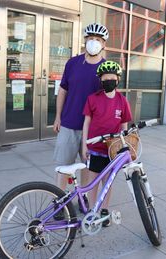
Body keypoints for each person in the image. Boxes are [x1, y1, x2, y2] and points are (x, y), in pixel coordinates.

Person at [53, 23, 109, 195]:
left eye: (98, 39)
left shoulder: (106, 68)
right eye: (91, 38)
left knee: (87, 167)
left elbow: (108, 98)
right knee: (63, 167)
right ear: (85, 40)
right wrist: (57, 117)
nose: (94, 42)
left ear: (104, 44)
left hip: (92, 129)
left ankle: (82, 196)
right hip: (69, 123)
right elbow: (63, 90)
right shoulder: (73, 63)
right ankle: (59, 202)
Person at [82, 61, 132, 227]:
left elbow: (124, 125)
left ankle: (104, 209)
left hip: (112, 150)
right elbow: (86, 123)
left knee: (107, 182)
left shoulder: (122, 100)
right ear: (100, 80)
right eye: (105, 78)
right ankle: (91, 210)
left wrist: (124, 145)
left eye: (112, 77)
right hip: (95, 149)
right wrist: (84, 145)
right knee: (93, 181)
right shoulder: (92, 99)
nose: (109, 80)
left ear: (118, 80)